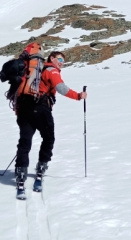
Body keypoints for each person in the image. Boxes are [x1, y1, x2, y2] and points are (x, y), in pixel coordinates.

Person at [14, 51, 87, 193]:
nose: (61, 63)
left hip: (24, 110)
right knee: (48, 139)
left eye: (63, 61)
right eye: (59, 59)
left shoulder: (33, 71)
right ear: (51, 58)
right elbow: (61, 88)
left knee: (25, 142)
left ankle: (21, 175)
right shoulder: (51, 70)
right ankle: (41, 169)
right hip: (41, 109)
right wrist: (78, 96)